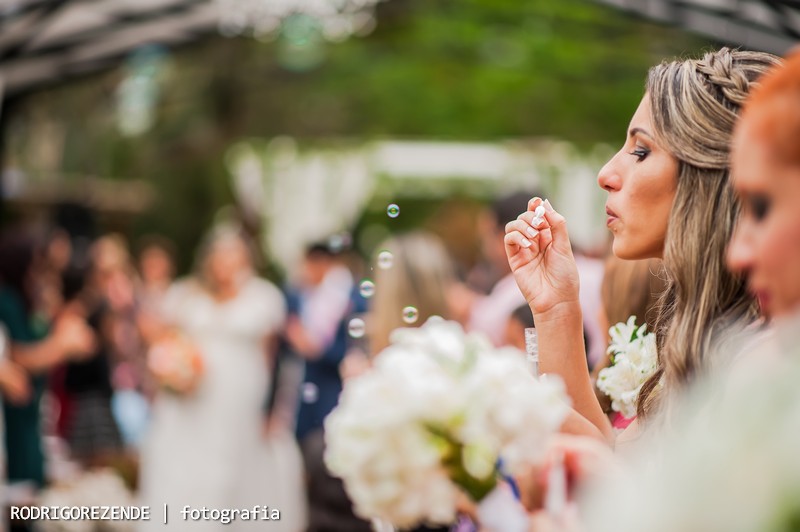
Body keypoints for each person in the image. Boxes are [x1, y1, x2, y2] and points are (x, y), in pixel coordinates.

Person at [504, 48, 781, 441]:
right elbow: (614, 464)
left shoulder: (769, 361)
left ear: (710, 176)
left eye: (640, 151)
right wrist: (556, 307)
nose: (606, 174)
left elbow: (612, 484)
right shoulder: (700, 338)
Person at [137, 226, 306, 531]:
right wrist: (172, 370)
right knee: (188, 467)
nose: (225, 264)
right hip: (192, 402)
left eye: (233, 256)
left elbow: (277, 358)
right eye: (220, 256)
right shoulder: (185, 295)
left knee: (238, 470)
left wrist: (273, 408)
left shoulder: (263, 297)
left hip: (242, 403)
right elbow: (165, 343)